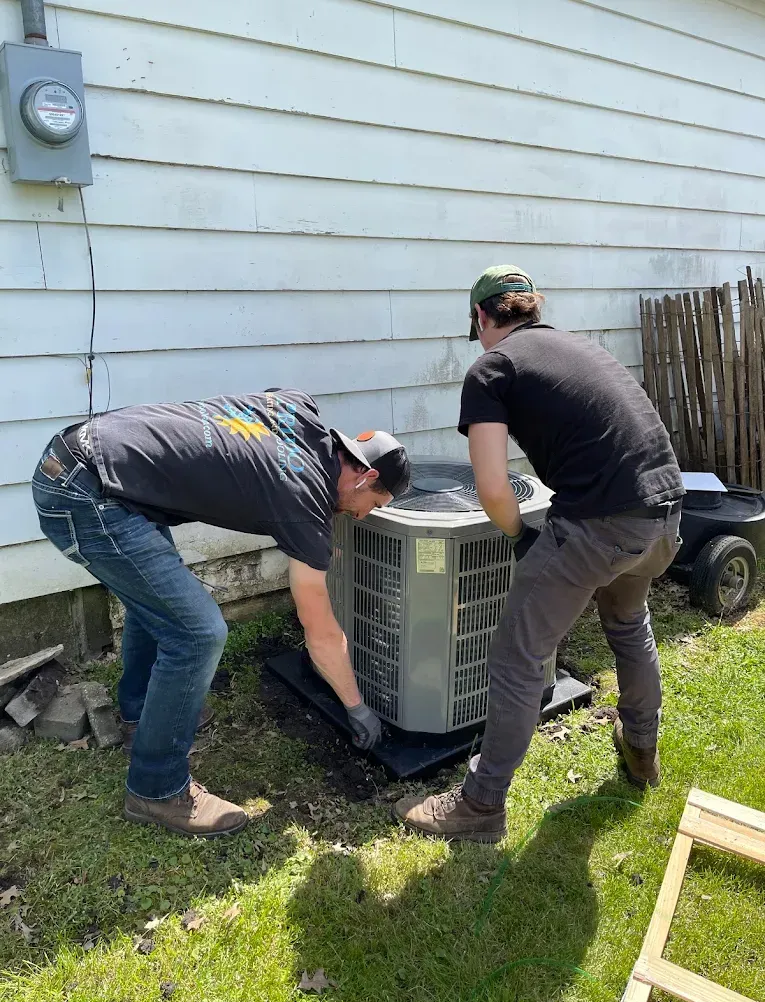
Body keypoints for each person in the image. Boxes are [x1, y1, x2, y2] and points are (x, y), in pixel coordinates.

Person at [32, 390, 410, 837]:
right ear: (365, 477)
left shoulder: (299, 411)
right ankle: (156, 789)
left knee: (156, 602)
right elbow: (321, 631)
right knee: (198, 633)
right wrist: (357, 706)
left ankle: (139, 715)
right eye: (376, 505)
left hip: (94, 462)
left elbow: (264, 412)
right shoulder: (305, 501)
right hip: (86, 494)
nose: (365, 517)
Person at [395, 265, 684, 843]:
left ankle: (480, 805)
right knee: (629, 624)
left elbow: (494, 489)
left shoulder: (492, 368)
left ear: (482, 317)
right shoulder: (578, 348)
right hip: (666, 515)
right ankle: (642, 749)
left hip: (599, 526)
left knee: (517, 657)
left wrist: (522, 539)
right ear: (529, 309)